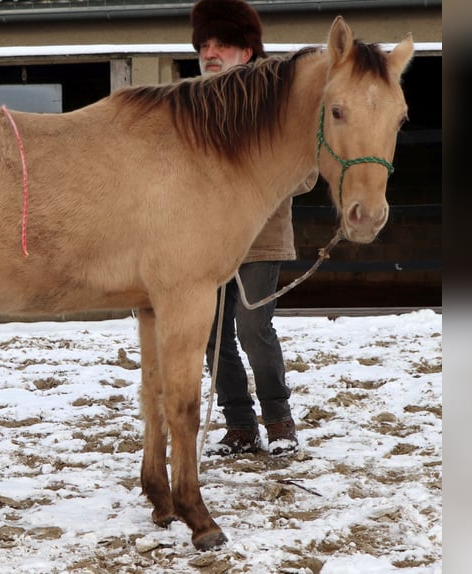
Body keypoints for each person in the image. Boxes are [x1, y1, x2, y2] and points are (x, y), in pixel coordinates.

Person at [190, 0, 317, 456]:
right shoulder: (192, 108)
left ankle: (279, 422)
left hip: (260, 241)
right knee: (210, 335)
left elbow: (306, 172)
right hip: (205, 244)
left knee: (252, 329)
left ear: (247, 51)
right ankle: (240, 426)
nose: (210, 53)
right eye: (204, 44)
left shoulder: (274, 103)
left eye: (221, 44)